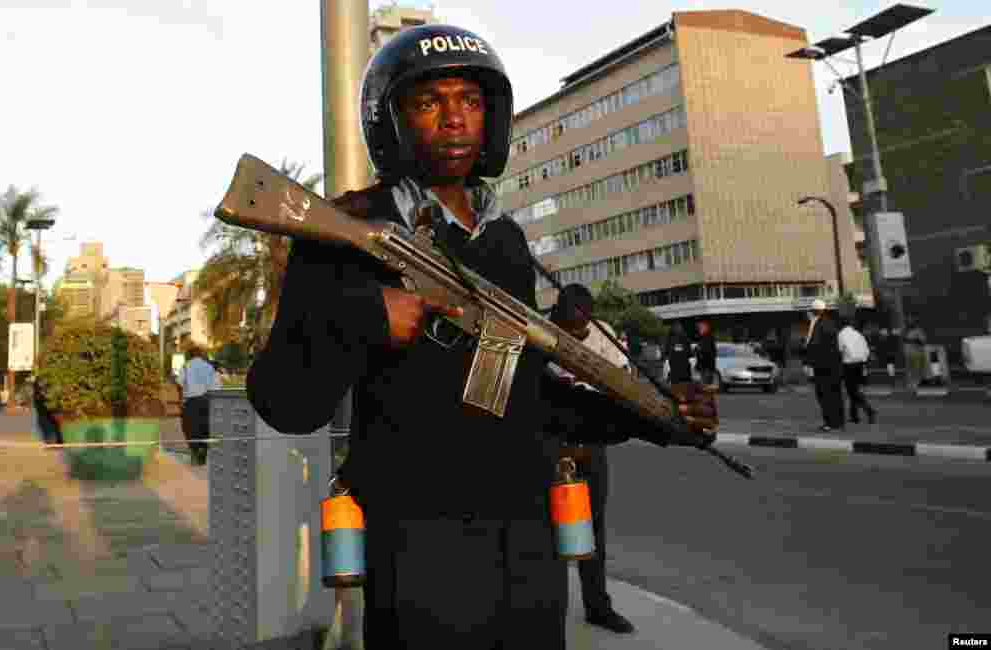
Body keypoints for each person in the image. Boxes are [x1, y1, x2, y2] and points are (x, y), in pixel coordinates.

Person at [244, 24, 718, 650]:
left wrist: (657, 415)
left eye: (469, 101)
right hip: (419, 544)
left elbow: (529, 397)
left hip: (526, 542)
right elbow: (282, 400)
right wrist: (361, 319)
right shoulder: (348, 229)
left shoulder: (506, 243)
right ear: (391, 120)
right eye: (428, 102)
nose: (453, 120)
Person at [546, 284, 635, 634]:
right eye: (572, 327)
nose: (579, 333)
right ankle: (547, 609)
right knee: (551, 530)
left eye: (584, 326)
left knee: (592, 529)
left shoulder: (604, 335)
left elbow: (620, 384)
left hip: (592, 442)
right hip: (551, 444)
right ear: (559, 316)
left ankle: (598, 606)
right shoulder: (540, 332)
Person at [803, 299, 844, 432]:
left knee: (824, 395)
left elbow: (813, 345)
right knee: (836, 394)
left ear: (813, 311)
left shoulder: (817, 324)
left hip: (822, 366)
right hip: (835, 364)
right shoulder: (831, 323)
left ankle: (830, 423)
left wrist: (807, 363)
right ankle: (839, 421)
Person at [178, 345, 220, 465]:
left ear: (189, 355)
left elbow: (180, 383)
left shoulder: (186, 366)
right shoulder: (210, 367)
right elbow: (217, 386)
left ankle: (195, 453)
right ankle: (203, 454)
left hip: (191, 402)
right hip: (207, 401)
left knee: (190, 428)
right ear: (201, 355)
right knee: (206, 428)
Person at [838, 320, 876, 424]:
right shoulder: (858, 334)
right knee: (854, 390)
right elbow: (866, 350)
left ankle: (869, 410)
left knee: (852, 391)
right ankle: (854, 416)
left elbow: (840, 350)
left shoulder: (841, 335)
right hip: (861, 364)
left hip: (849, 365)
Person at [903, 318, 928, 389]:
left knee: (917, 369)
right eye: (908, 321)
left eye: (911, 322)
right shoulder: (905, 330)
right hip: (908, 353)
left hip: (916, 353)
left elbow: (923, 341)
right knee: (909, 369)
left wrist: (912, 340)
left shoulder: (919, 330)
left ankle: (917, 383)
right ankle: (909, 384)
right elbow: (903, 340)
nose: (909, 323)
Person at [695, 321, 718, 386]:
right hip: (704, 365)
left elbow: (710, 351)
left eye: (700, 328)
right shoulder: (701, 338)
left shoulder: (708, 338)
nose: (699, 329)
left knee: (706, 382)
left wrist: (699, 350)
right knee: (704, 381)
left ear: (706, 328)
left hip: (707, 364)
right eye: (699, 328)